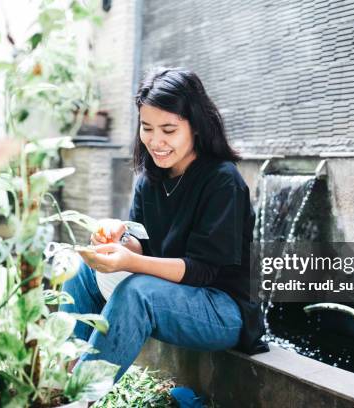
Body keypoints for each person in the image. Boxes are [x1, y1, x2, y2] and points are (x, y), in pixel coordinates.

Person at [60, 67, 268, 384]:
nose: (155, 141)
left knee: (137, 292)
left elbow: (202, 271)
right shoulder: (151, 178)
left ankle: (80, 398)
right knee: (80, 268)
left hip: (223, 308)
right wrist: (118, 237)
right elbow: (144, 243)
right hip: (173, 293)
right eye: (147, 128)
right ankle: (61, 378)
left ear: (195, 127)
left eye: (168, 130)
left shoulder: (222, 181)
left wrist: (131, 261)